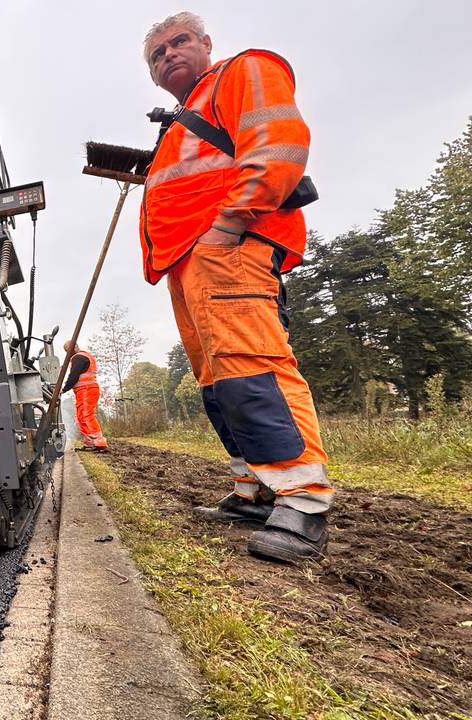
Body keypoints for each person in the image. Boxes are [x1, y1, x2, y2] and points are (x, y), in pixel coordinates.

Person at [140, 12, 332, 562]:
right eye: (157, 54)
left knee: (251, 363)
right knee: (218, 379)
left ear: (206, 44)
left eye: (178, 43)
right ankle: (253, 490)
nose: (169, 55)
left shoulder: (242, 72)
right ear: (153, 76)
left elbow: (279, 144)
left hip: (227, 245)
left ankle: (304, 502)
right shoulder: (183, 119)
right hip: (188, 260)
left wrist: (230, 225)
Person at [59, 341, 108, 452]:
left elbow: (73, 376)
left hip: (87, 390)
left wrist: (64, 389)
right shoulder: (81, 357)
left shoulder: (79, 357)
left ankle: (99, 442)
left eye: (69, 350)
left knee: (86, 415)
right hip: (84, 390)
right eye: (67, 352)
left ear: (76, 346)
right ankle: (90, 443)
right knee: (81, 416)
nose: (69, 353)